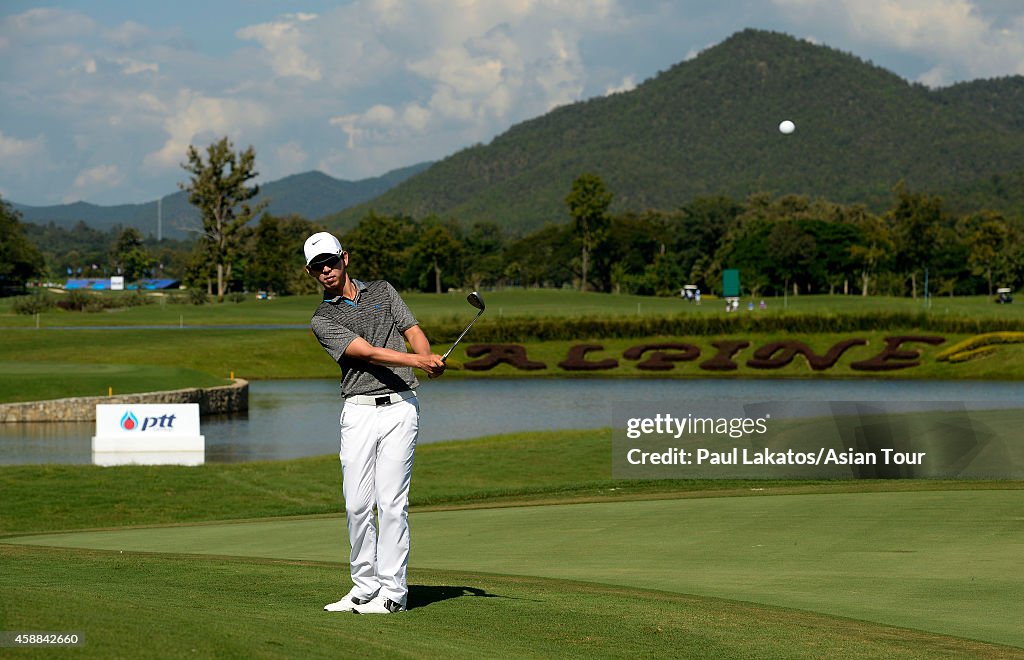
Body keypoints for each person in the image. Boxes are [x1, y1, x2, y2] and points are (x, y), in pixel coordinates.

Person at [303, 231, 446, 615]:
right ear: (311, 272)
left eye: (330, 262)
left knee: (392, 503)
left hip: (401, 407)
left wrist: (427, 356)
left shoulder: (383, 291)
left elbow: (411, 329)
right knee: (357, 504)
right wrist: (418, 362)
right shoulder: (323, 318)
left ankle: (393, 593)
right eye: (318, 267)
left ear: (345, 257)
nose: (326, 271)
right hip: (359, 410)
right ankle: (364, 587)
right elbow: (363, 352)